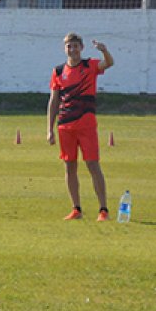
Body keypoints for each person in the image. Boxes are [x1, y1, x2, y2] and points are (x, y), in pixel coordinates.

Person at [47, 33, 115, 221]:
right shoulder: (59, 71)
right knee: (69, 167)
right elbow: (53, 101)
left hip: (86, 125)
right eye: (69, 46)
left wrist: (104, 51)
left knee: (93, 165)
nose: (73, 50)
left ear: (81, 48)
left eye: (76, 46)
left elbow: (108, 64)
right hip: (65, 126)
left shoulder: (89, 66)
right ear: (65, 49)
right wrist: (49, 129)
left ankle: (103, 210)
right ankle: (76, 209)